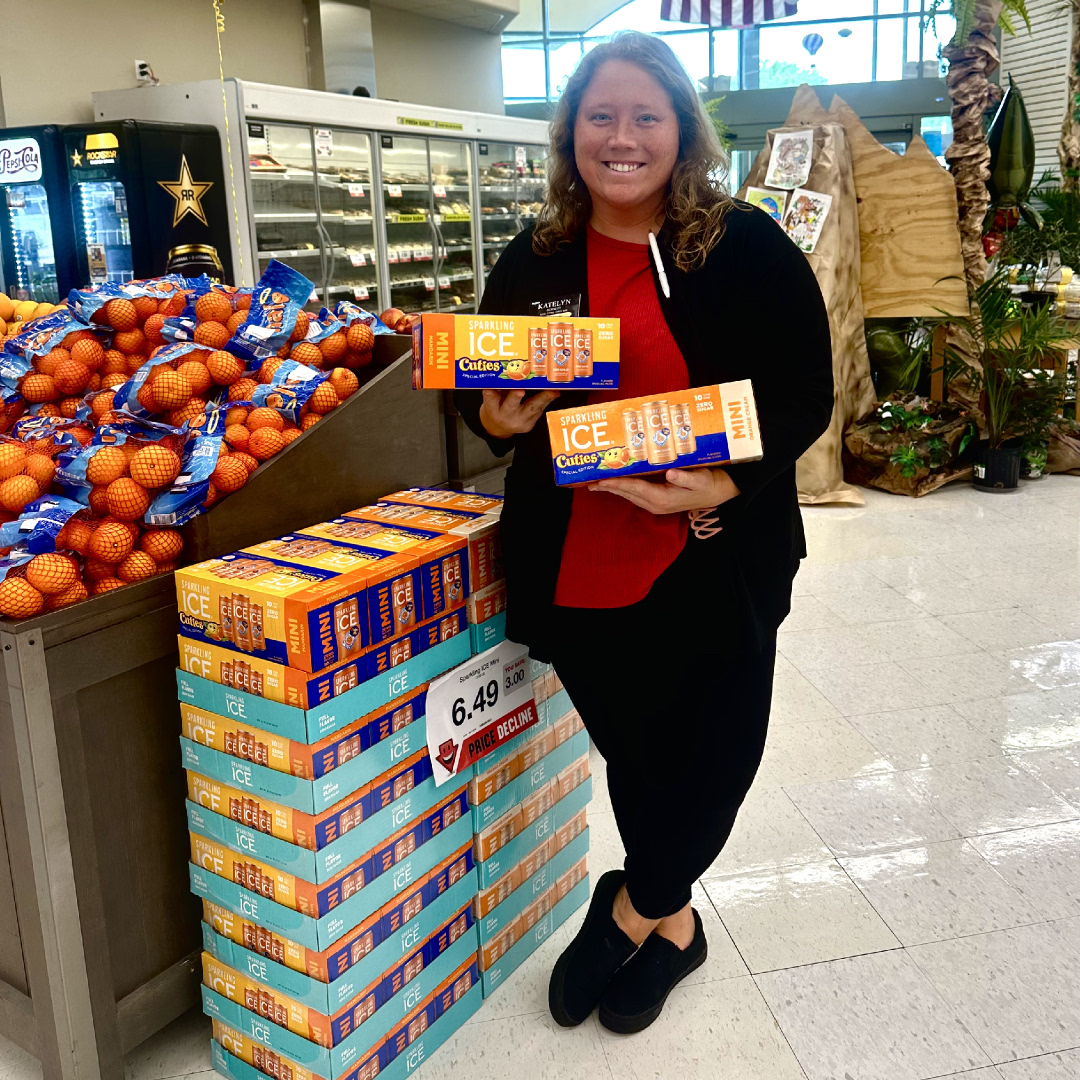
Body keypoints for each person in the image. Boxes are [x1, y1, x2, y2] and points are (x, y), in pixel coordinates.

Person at [454, 31, 833, 1035]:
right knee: (638, 755)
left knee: (716, 756)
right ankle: (677, 928)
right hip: (577, 559)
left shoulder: (743, 245)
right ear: (571, 132)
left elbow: (804, 395)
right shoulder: (535, 258)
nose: (620, 138)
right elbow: (484, 400)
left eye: (644, 118)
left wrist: (723, 481)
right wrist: (493, 419)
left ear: (682, 132)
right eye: (600, 117)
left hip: (713, 555)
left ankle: (629, 907)